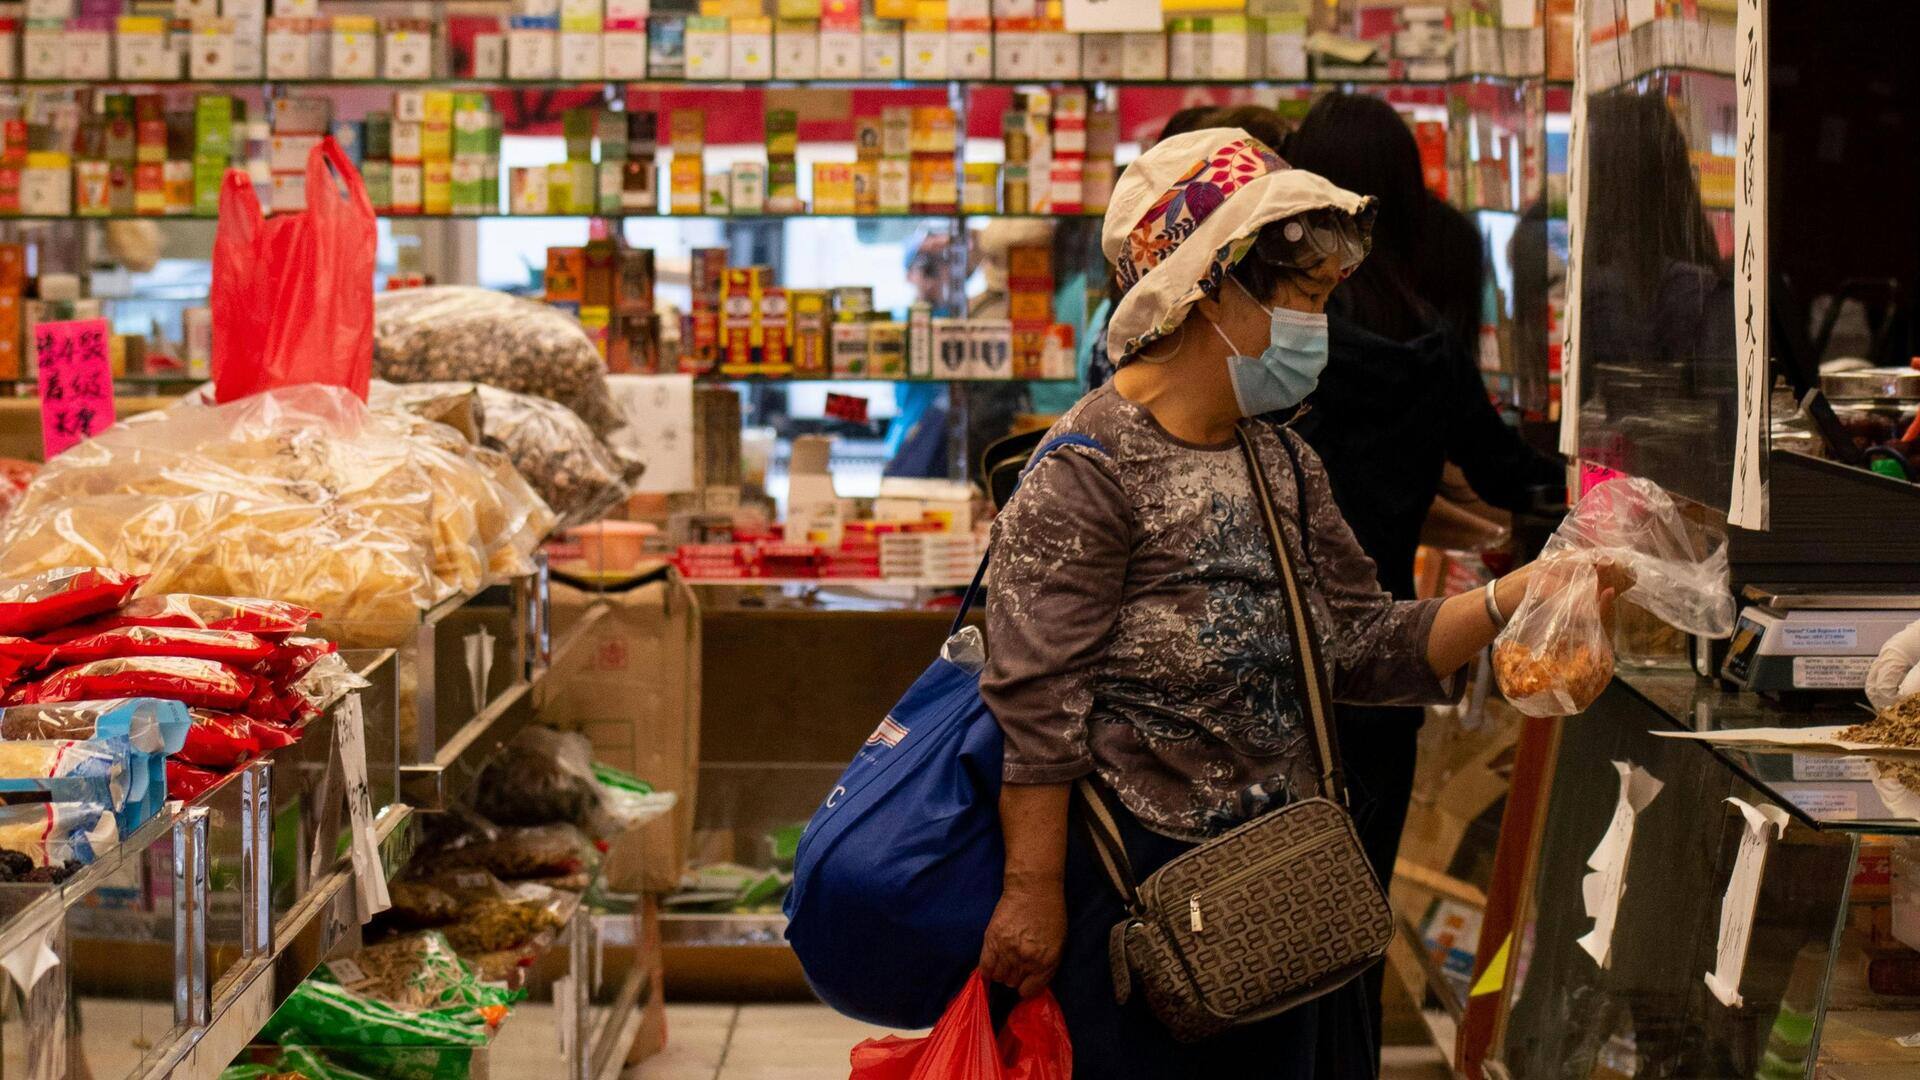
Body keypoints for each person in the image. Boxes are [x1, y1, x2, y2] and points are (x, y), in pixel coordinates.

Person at [976, 127, 1622, 1079]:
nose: (1323, 326)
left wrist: (1526, 590)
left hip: (1282, 893)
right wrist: (1030, 891)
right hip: (1140, 905)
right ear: (1205, 289)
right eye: (1307, 300)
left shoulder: (1279, 459)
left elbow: (1362, 648)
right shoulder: (1087, 471)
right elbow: (1039, 713)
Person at [1281, 92, 1566, 1067]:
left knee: (1262, 907)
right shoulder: (1426, 324)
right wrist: (1565, 489)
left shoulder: (1282, 336)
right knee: (1359, 903)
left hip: (1275, 658)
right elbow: (1497, 464)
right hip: (1386, 651)